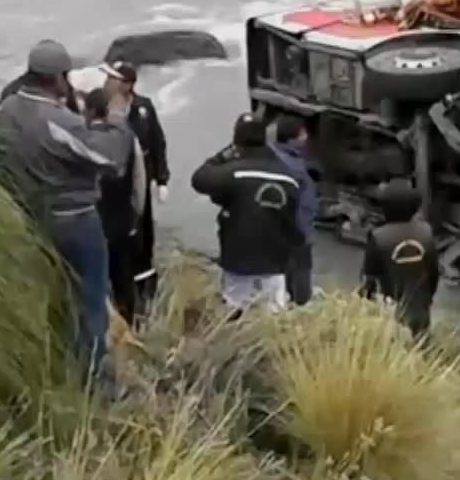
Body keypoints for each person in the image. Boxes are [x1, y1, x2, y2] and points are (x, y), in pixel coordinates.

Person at [0, 39, 131, 395]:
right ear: (59, 78)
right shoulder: (55, 120)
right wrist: (115, 116)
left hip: (33, 219)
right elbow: (110, 158)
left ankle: (61, 366)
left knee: (58, 295)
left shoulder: (4, 112)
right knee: (92, 298)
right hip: (76, 220)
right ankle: (96, 385)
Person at [191, 113, 304, 317]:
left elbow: (199, 179)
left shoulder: (233, 173)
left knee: (235, 317)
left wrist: (223, 155)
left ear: (237, 142)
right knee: (274, 321)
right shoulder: (288, 178)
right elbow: (296, 225)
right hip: (275, 264)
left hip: (239, 263)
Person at [100, 60, 168, 322]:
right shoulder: (103, 108)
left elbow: (157, 142)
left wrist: (162, 178)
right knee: (120, 234)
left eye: (113, 78)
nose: (107, 82)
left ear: (127, 84)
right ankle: (120, 289)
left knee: (143, 232)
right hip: (115, 184)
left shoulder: (143, 108)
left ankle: (146, 288)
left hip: (142, 177)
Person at [82, 87, 148, 325]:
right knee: (123, 277)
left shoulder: (80, 139)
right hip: (122, 221)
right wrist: (136, 215)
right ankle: (128, 322)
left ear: (89, 111)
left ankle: (102, 326)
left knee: (94, 278)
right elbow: (139, 181)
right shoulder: (129, 138)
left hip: (91, 220)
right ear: (108, 111)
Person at [359, 183, 439, 339]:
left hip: (391, 310)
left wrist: (364, 305)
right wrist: (427, 298)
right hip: (421, 308)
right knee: (420, 346)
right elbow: (434, 273)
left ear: (385, 209)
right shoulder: (426, 232)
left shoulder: (378, 236)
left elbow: (369, 279)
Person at [268, 114, 319, 306]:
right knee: (300, 269)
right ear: (292, 139)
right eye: (303, 133)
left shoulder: (280, 156)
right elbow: (302, 203)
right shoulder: (293, 167)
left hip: (284, 227)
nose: (306, 137)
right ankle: (301, 305)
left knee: (286, 268)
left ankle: (290, 299)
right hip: (297, 228)